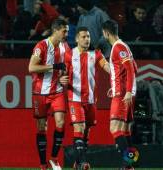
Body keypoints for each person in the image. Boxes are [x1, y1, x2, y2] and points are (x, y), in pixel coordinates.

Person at [60, 26, 110, 169]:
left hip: (91, 100)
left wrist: (116, 71)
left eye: (88, 36)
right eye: (83, 37)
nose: (87, 39)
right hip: (75, 98)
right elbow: (62, 75)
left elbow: (106, 66)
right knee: (79, 128)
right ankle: (83, 163)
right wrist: (61, 80)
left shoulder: (96, 54)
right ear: (76, 39)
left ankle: (77, 163)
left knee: (86, 131)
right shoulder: (69, 55)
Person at [28, 19, 70, 170]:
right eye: (64, 31)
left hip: (57, 91)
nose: (67, 34)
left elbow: (66, 68)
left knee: (60, 123)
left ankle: (54, 158)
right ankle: (42, 164)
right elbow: (31, 67)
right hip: (40, 92)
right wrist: (53, 67)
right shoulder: (42, 46)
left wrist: (65, 76)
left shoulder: (65, 47)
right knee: (42, 127)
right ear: (56, 30)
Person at [102, 20, 137, 170]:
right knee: (125, 131)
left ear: (106, 33)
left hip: (123, 94)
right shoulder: (124, 46)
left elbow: (130, 69)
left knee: (114, 129)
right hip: (123, 91)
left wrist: (127, 90)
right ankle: (129, 164)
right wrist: (116, 85)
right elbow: (134, 67)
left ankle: (127, 164)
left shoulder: (118, 47)